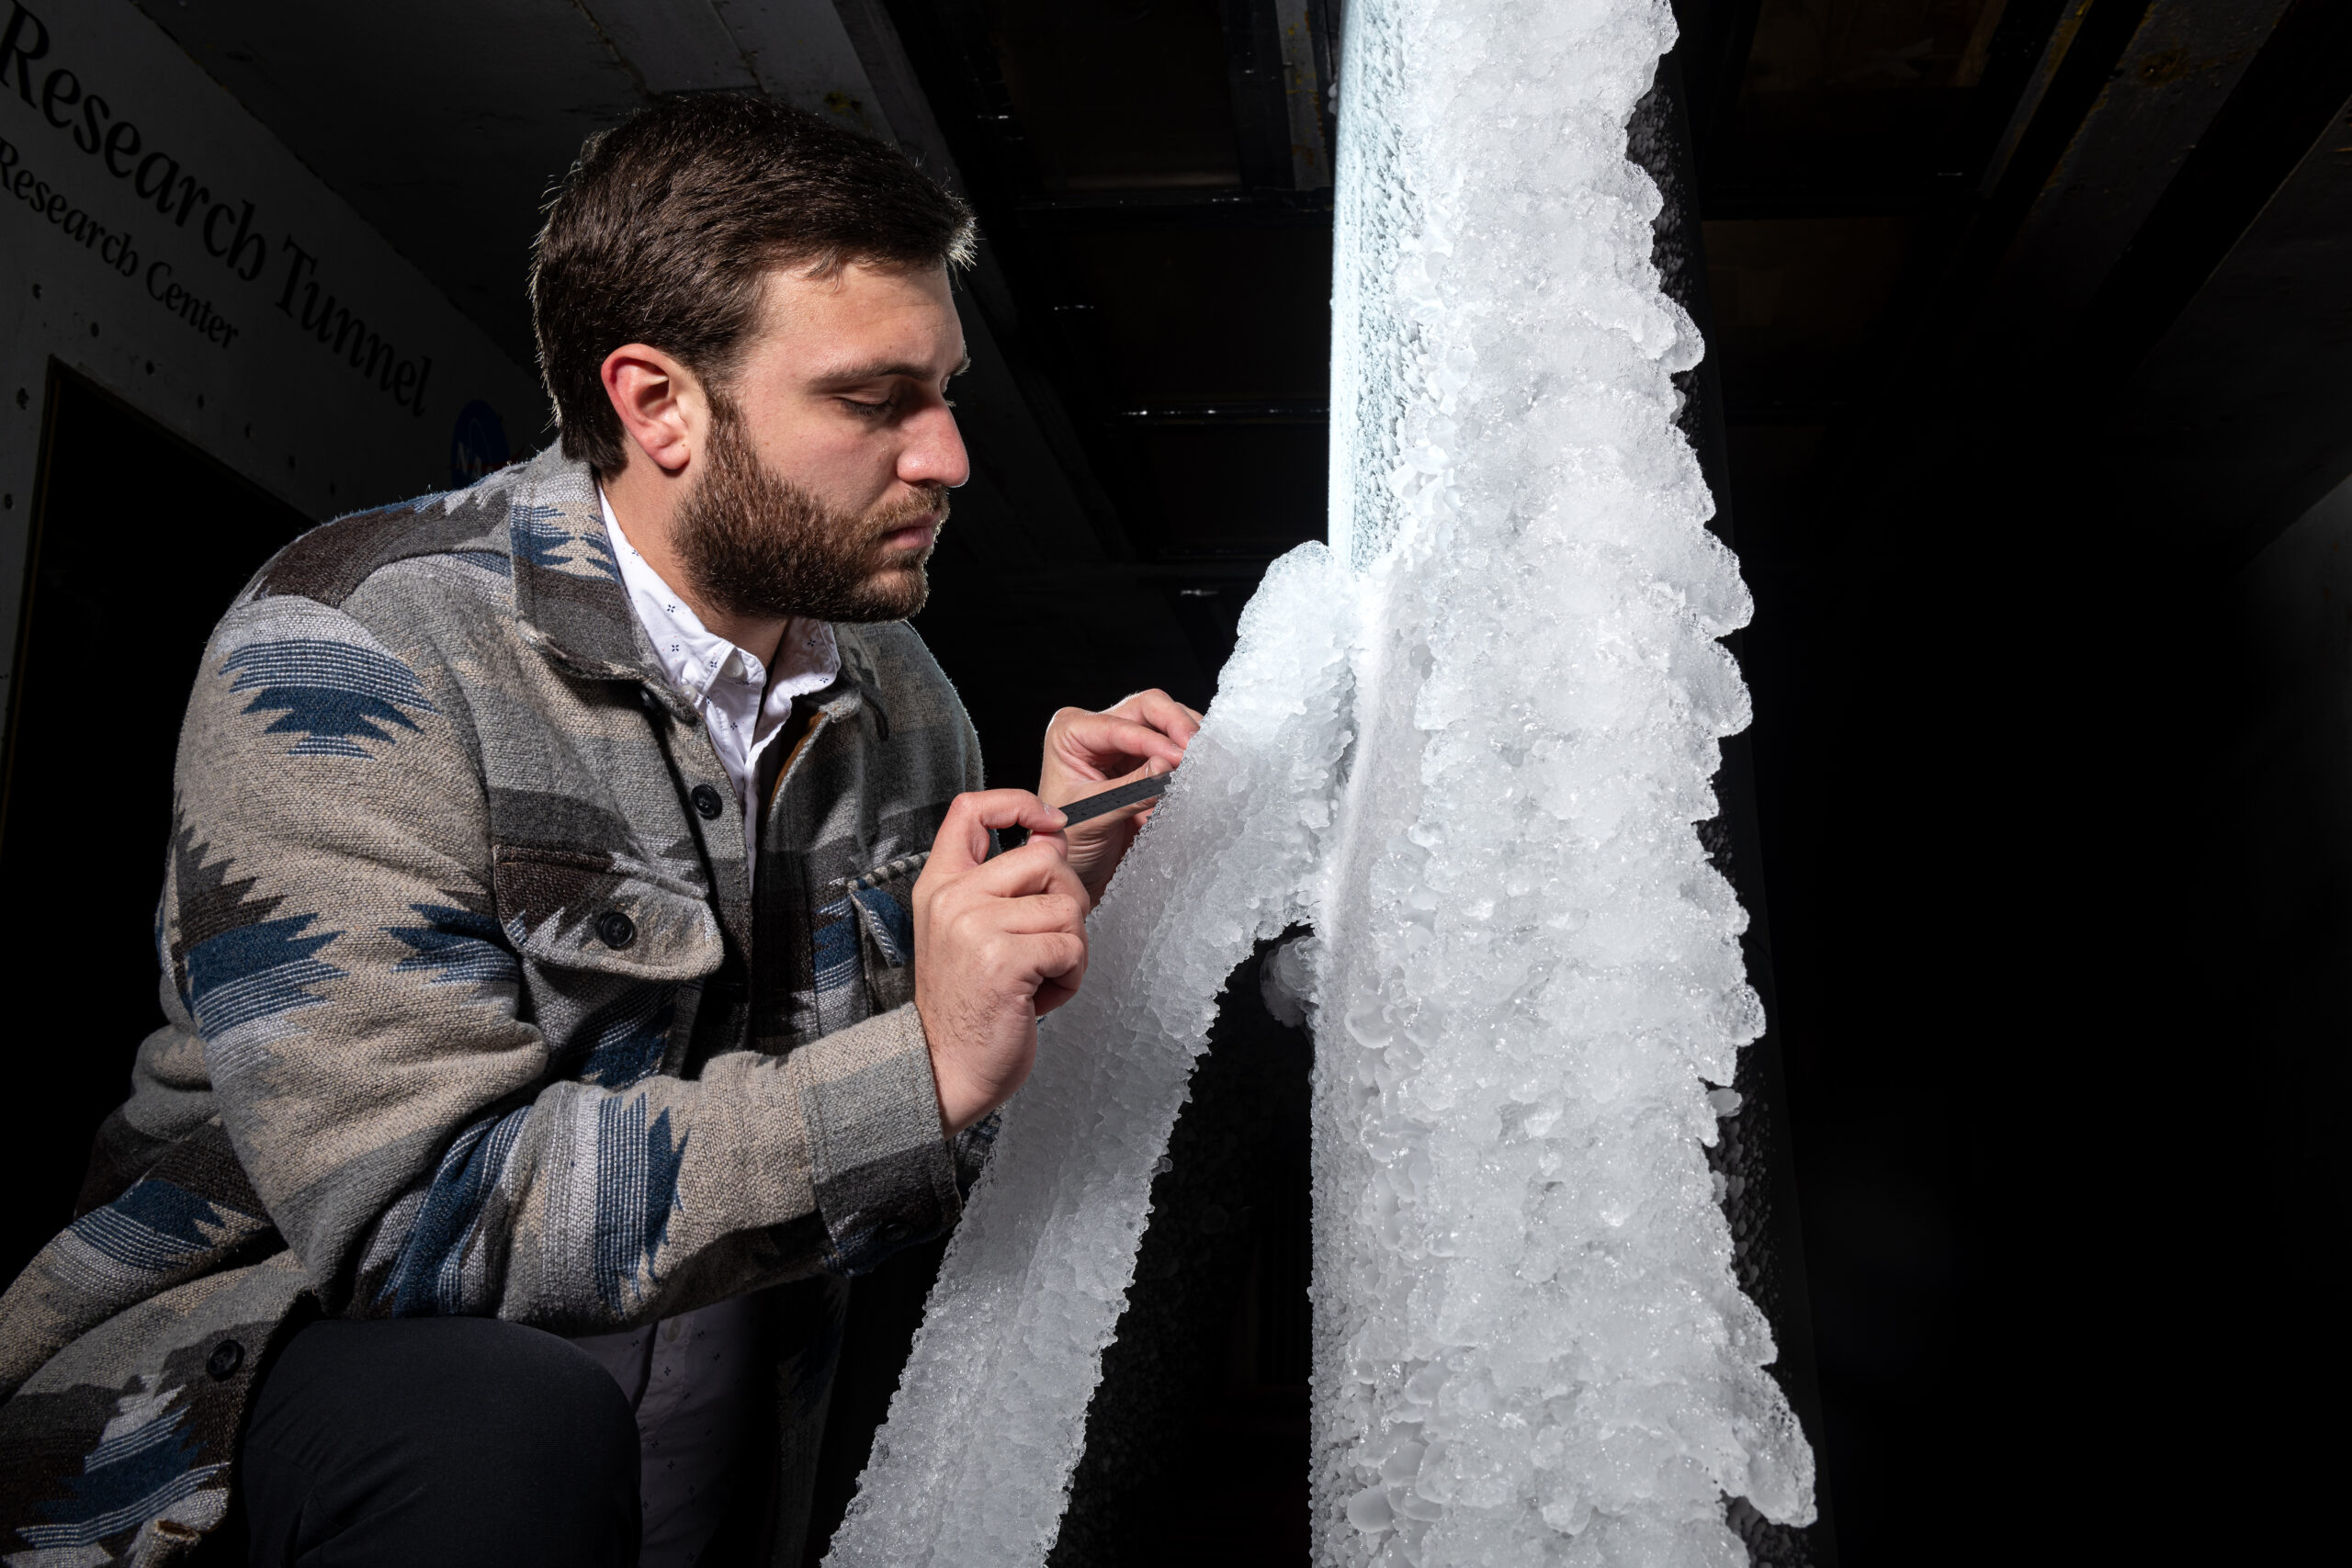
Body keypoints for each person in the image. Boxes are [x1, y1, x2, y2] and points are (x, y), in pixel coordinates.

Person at [0, 94, 1198, 1566]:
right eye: (873, 401)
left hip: (718, 1436)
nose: (948, 457)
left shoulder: (899, 696)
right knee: (493, 1423)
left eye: (946, 393)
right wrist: (926, 1062)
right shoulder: (355, 649)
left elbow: (922, 1144)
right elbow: (411, 1229)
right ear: (658, 405)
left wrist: (1053, 906)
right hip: (257, 1421)